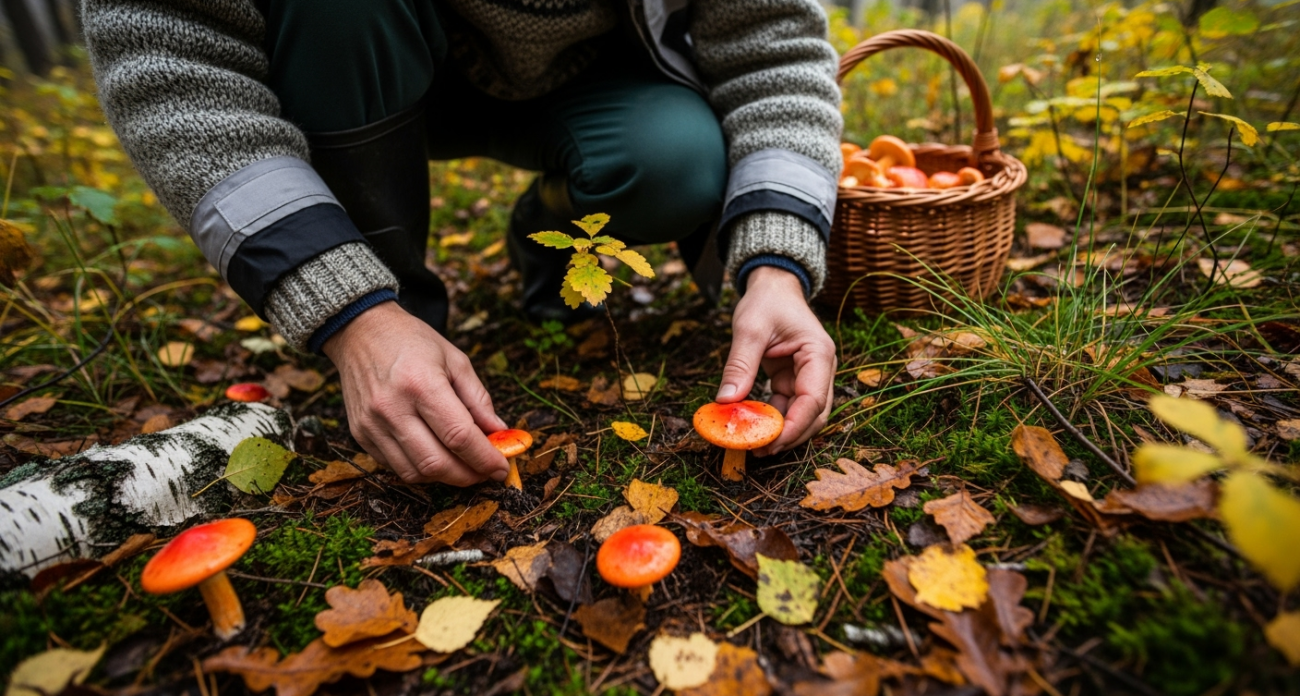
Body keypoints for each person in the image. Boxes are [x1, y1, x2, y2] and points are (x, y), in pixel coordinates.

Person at [81, 0, 841, 487]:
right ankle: (395, 344)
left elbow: (774, 50)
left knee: (675, 161)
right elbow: (174, 61)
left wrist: (776, 269)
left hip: (593, 88)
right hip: (359, 60)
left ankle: (546, 231)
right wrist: (351, 317)